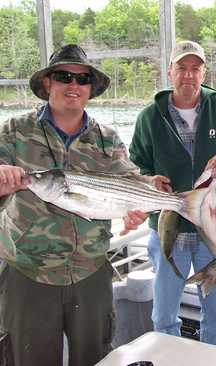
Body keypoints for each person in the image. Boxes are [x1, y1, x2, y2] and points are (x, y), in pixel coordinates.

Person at [0, 44, 157, 366]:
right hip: (29, 271)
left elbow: (130, 183)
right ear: (48, 84)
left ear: (90, 89)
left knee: (94, 358)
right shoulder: (14, 131)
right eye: (63, 76)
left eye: (82, 79)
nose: (73, 85)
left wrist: (136, 210)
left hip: (91, 272)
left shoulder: (107, 138)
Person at [128, 40, 216, 346]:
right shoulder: (149, 117)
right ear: (170, 72)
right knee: (164, 316)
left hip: (212, 230)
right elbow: (134, 167)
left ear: (204, 72)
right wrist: (148, 179)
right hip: (168, 228)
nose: (188, 75)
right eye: (182, 67)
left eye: (195, 68)